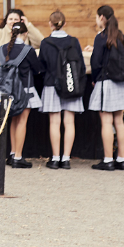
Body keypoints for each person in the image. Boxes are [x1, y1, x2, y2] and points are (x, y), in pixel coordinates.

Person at [0, 11, 44, 168]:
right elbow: (37, 69)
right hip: (25, 90)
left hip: (8, 91)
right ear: (25, 33)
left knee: (13, 122)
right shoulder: (28, 50)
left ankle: (12, 154)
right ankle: (18, 156)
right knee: (22, 122)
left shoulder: (2, 49)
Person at [39, 10, 85, 168]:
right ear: (65, 23)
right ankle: (66, 159)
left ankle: (55, 157)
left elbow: (41, 66)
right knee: (70, 122)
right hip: (71, 85)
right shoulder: (74, 41)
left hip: (52, 84)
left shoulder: (45, 43)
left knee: (54, 122)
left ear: (50, 24)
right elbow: (81, 66)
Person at [88, 5, 124, 171]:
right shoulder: (121, 37)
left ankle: (107, 160)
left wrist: (94, 79)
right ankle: (122, 159)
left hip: (105, 83)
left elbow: (96, 62)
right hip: (120, 84)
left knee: (106, 122)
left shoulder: (101, 37)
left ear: (101, 18)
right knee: (119, 122)